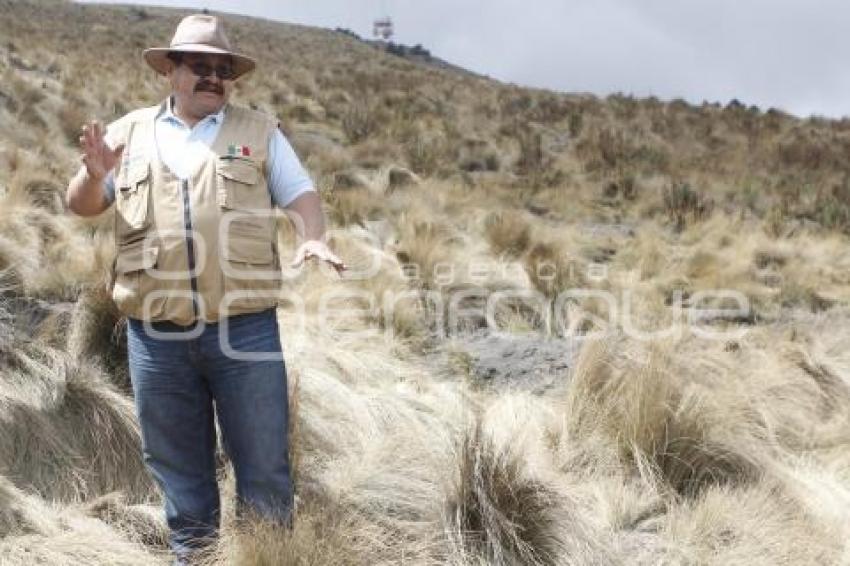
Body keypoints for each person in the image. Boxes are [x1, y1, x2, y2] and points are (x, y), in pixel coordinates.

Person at [66, 13, 345, 564]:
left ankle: (268, 557)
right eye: (200, 66)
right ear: (171, 71)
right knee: (181, 478)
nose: (213, 77)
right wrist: (92, 174)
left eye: (223, 69)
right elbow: (83, 206)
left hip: (245, 333)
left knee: (265, 471)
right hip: (156, 341)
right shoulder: (129, 133)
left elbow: (302, 195)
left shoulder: (259, 132)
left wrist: (313, 237)